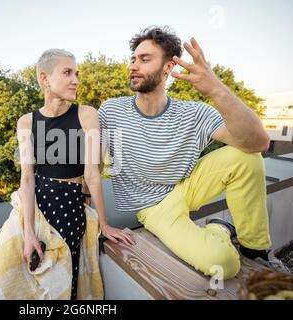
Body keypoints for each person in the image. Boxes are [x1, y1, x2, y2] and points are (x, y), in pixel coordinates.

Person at [92, 26, 289, 280]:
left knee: (247, 157)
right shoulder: (111, 111)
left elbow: (258, 143)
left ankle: (256, 249)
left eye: (144, 59)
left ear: (168, 68)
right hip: (154, 208)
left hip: (187, 186)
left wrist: (216, 89)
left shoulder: (195, 113)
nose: (133, 65)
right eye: (133, 59)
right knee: (224, 264)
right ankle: (220, 228)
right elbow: (93, 167)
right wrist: (98, 221)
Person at [17, 49, 135, 300]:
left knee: (62, 281)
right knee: (29, 277)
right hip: (36, 203)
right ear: (45, 78)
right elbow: (26, 178)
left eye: (77, 73)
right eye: (67, 72)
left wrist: (104, 224)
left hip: (69, 205)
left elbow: (92, 174)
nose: (76, 80)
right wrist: (28, 234)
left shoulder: (86, 114)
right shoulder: (26, 122)